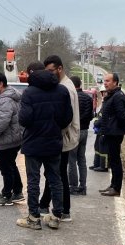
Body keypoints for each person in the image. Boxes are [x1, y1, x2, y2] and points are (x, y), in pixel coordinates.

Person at [16, 62, 72, 230]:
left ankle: (33, 218)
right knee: (55, 179)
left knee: (33, 180)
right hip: (54, 142)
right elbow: (67, 117)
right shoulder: (62, 90)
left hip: (33, 143)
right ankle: (56, 217)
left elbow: (24, 119)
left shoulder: (29, 93)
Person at [38, 55, 79, 222]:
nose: (49, 74)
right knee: (55, 172)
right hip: (63, 136)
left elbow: (65, 118)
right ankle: (45, 204)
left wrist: (53, 134)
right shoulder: (62, 85)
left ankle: (64, 210)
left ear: (60, 69)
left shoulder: (66, 89)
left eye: (51, 71)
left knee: (58, 174)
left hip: (64, 137)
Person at [0, 72, 24, 206]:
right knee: (11, 165)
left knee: (6, 168)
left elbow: (2, 121)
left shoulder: (5, 100)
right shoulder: (10, 96)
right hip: (12, 139)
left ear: (1, 84)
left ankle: (6, 195)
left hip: (7, 140)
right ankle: (18, 192)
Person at [99, 73, 125, 197]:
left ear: (115, 82)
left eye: (108, 81)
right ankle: (113, 185)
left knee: (116, 161)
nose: (105, 83)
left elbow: (122, 116)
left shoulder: (118, 96)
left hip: (115, 133)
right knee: (112, 160)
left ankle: (116, 188)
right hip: (110, 132)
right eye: (104, 81)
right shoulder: (112, 95)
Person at [67, 76, 94, 196]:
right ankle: (83, 186)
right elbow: (90, 115)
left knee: (71, 160)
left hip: (74, 131)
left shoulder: (71, 97)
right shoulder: (88, 98)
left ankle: (73, 186)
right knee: (81, 159)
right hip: (84, 131)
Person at [90, 84, 109, 172]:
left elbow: (103, 117)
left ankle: (103, 166)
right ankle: (96, 164)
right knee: (97, 147)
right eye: (103, 92)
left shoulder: (108, 103)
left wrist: (97, 123)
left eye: (105, 92)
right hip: (99, 130)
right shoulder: (105, 102)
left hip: (104, 130)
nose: (104, 94)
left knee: (103, 149)